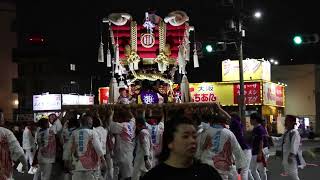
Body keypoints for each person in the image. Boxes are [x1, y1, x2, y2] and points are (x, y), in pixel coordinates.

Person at [141, 114, 222, 180]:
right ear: (170, 142)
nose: (192, 141)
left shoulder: (208, 173)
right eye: (185, 136)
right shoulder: (154, 176)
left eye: (194, 136)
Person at [198, 110, 247, 180]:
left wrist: (198, 159)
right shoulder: (228, 133)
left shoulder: (205, 132)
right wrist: (240, 165)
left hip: (206, 166)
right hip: (222, 167)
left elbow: (199, 148)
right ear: (223, 122)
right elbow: (237, 149)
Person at [64, 114, 107, 180]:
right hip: (91, 166)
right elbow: (98, 147)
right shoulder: (92, 133)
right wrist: (103, 160)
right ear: (90, 123)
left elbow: (68, 148)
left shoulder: (74, 133)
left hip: (76, 165)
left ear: (81, 123)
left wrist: (66, 161)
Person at [271, 115, 305, 180]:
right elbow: (280, 140)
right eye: (285, 120)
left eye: (287, 121)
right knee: (291, 174)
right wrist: (271, 138)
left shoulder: (294, 133)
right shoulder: (288, 132)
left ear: (292, 122)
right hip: (286, 156)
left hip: (291, 158)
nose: (285, 122)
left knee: (294, 175)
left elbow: (294, 145)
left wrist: (291, 156)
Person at [108, 108, 136, 180]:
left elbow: (110, 125)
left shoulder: (121, 126)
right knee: (127, 176)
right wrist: (128, 109)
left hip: (121, 155)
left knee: (119, 176)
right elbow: (133, 118)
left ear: (120, 118)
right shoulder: (131, 124)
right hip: (129, 154)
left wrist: (111, 113)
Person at [0, 109, 28, 180]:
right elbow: (19, 151)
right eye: (2, 117)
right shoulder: (6, 133)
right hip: (4, 171)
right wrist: (25, 165)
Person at [229, 113, 253, 180]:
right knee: (246, 171)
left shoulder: (236, 126)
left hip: (245, 151)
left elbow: (230, 118)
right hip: (245, 151)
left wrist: (220, 109)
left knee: (244, 172)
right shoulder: (239, 127)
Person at [249, 113, 269, 180]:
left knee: (259, 170)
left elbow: (261, 141)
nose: (250, 121)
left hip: (260, 151)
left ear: (255, 120)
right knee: (256, 169)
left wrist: (260, 153)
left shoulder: (259, 129)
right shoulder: (256, 128)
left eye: (251, 119)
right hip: (257, 151)